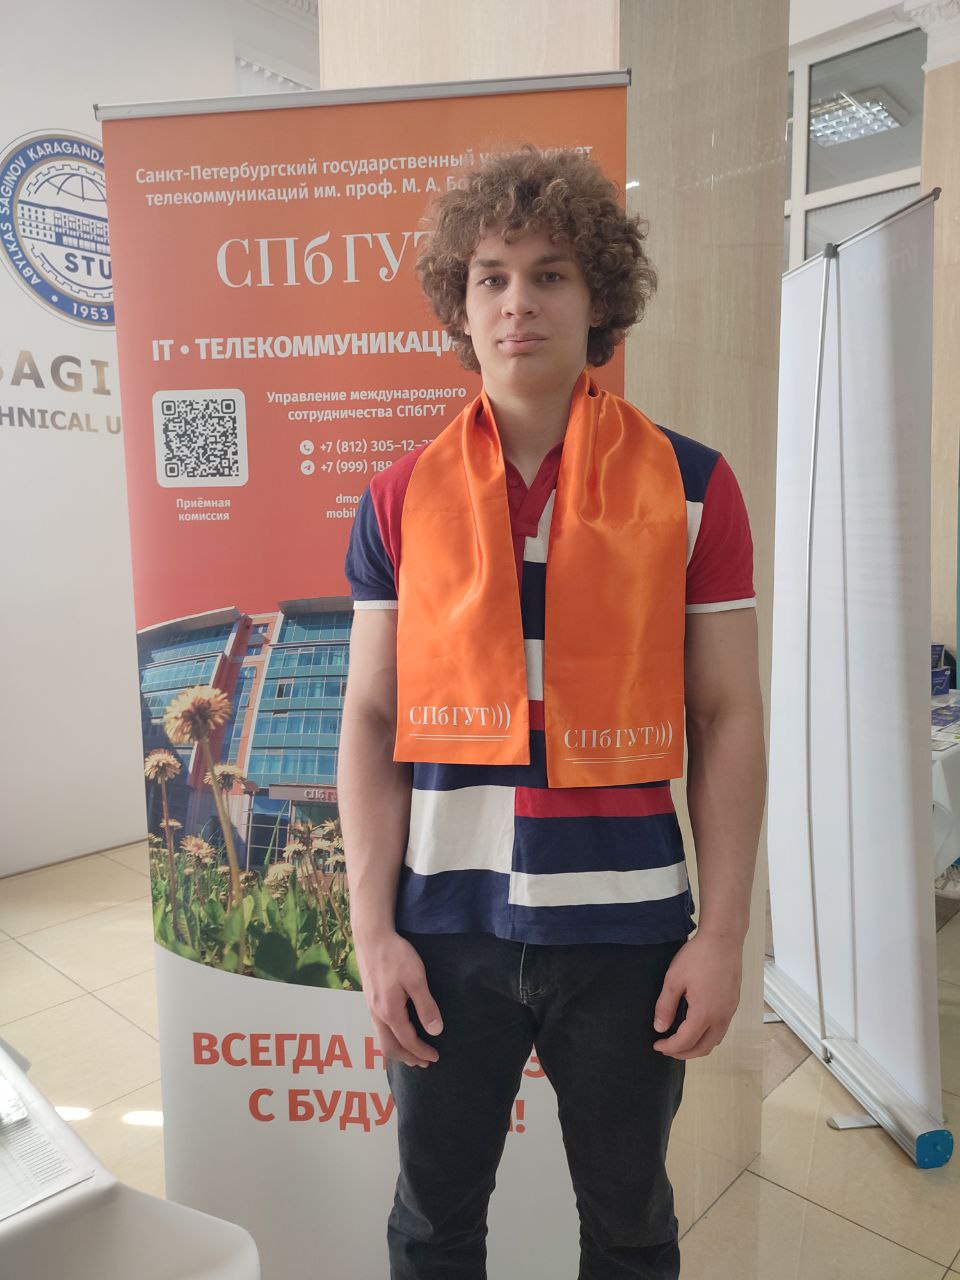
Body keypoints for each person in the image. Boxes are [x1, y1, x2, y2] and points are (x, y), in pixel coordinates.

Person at [338, 146, 767, 1280]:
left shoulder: (693, 487)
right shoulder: (397, 499)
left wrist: (722, 934)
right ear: (459, 303)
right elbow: (371, 720)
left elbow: (728, 714)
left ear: (599, 299)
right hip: (445, 929)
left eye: (550, 274)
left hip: (628, 932)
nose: (517, 301)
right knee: (434, 1224)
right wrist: (374, 932)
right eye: (490, 276)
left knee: (629, 1224)